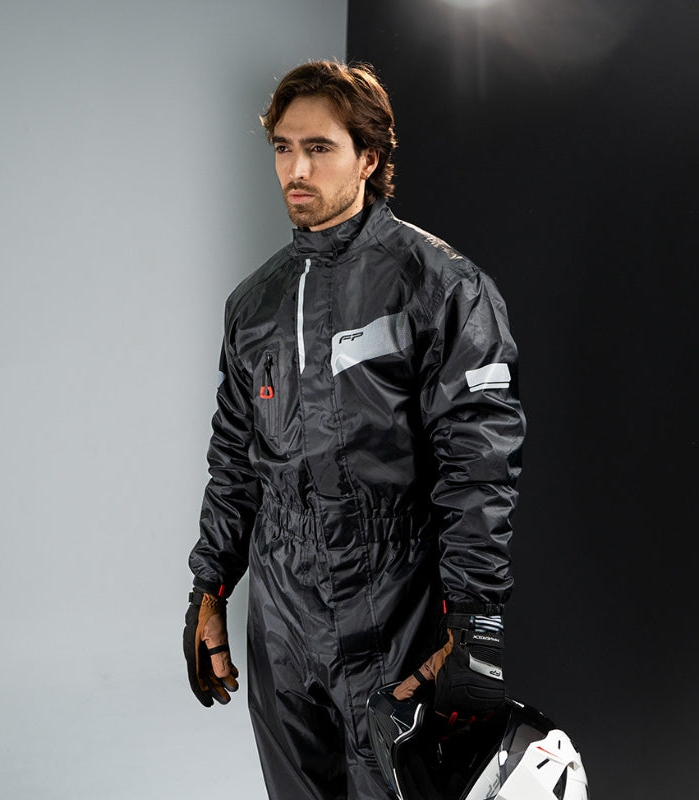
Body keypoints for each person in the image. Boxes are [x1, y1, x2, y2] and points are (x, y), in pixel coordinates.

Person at [183, 60, 525, 800]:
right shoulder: (255, 304)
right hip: (280, 610)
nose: (296, 169)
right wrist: (209, 587)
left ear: (368, 158)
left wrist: (476, 623)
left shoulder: (441, 286)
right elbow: (235, 459)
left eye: (319, 148)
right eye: (283, 148)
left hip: (394, 601)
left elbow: (479, 463)